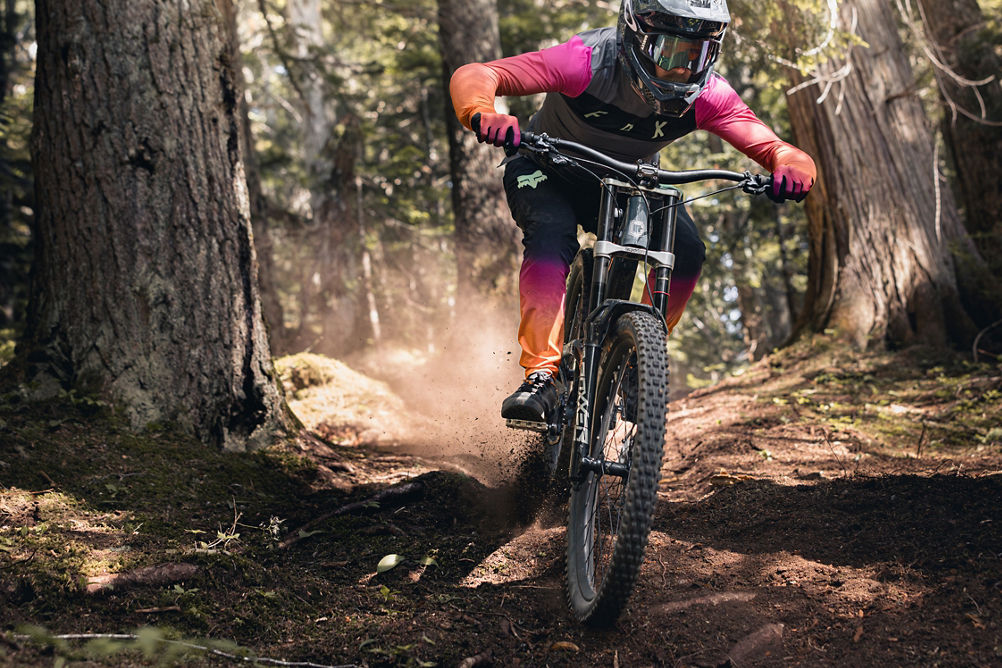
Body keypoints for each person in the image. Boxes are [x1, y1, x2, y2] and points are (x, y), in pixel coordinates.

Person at [448, 0, 816, 423]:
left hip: (629, 180)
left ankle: (640, 360)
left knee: (688, 252)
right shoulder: (585, 61)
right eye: (673, 52)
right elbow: (479, 74)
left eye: (698, 55)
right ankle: (541, 375)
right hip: (547, 169)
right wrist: (484, 112)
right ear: (638, 37)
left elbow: (778, 149)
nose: (684, 69)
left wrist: (791, 168)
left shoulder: (709, 94)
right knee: (551, 238)